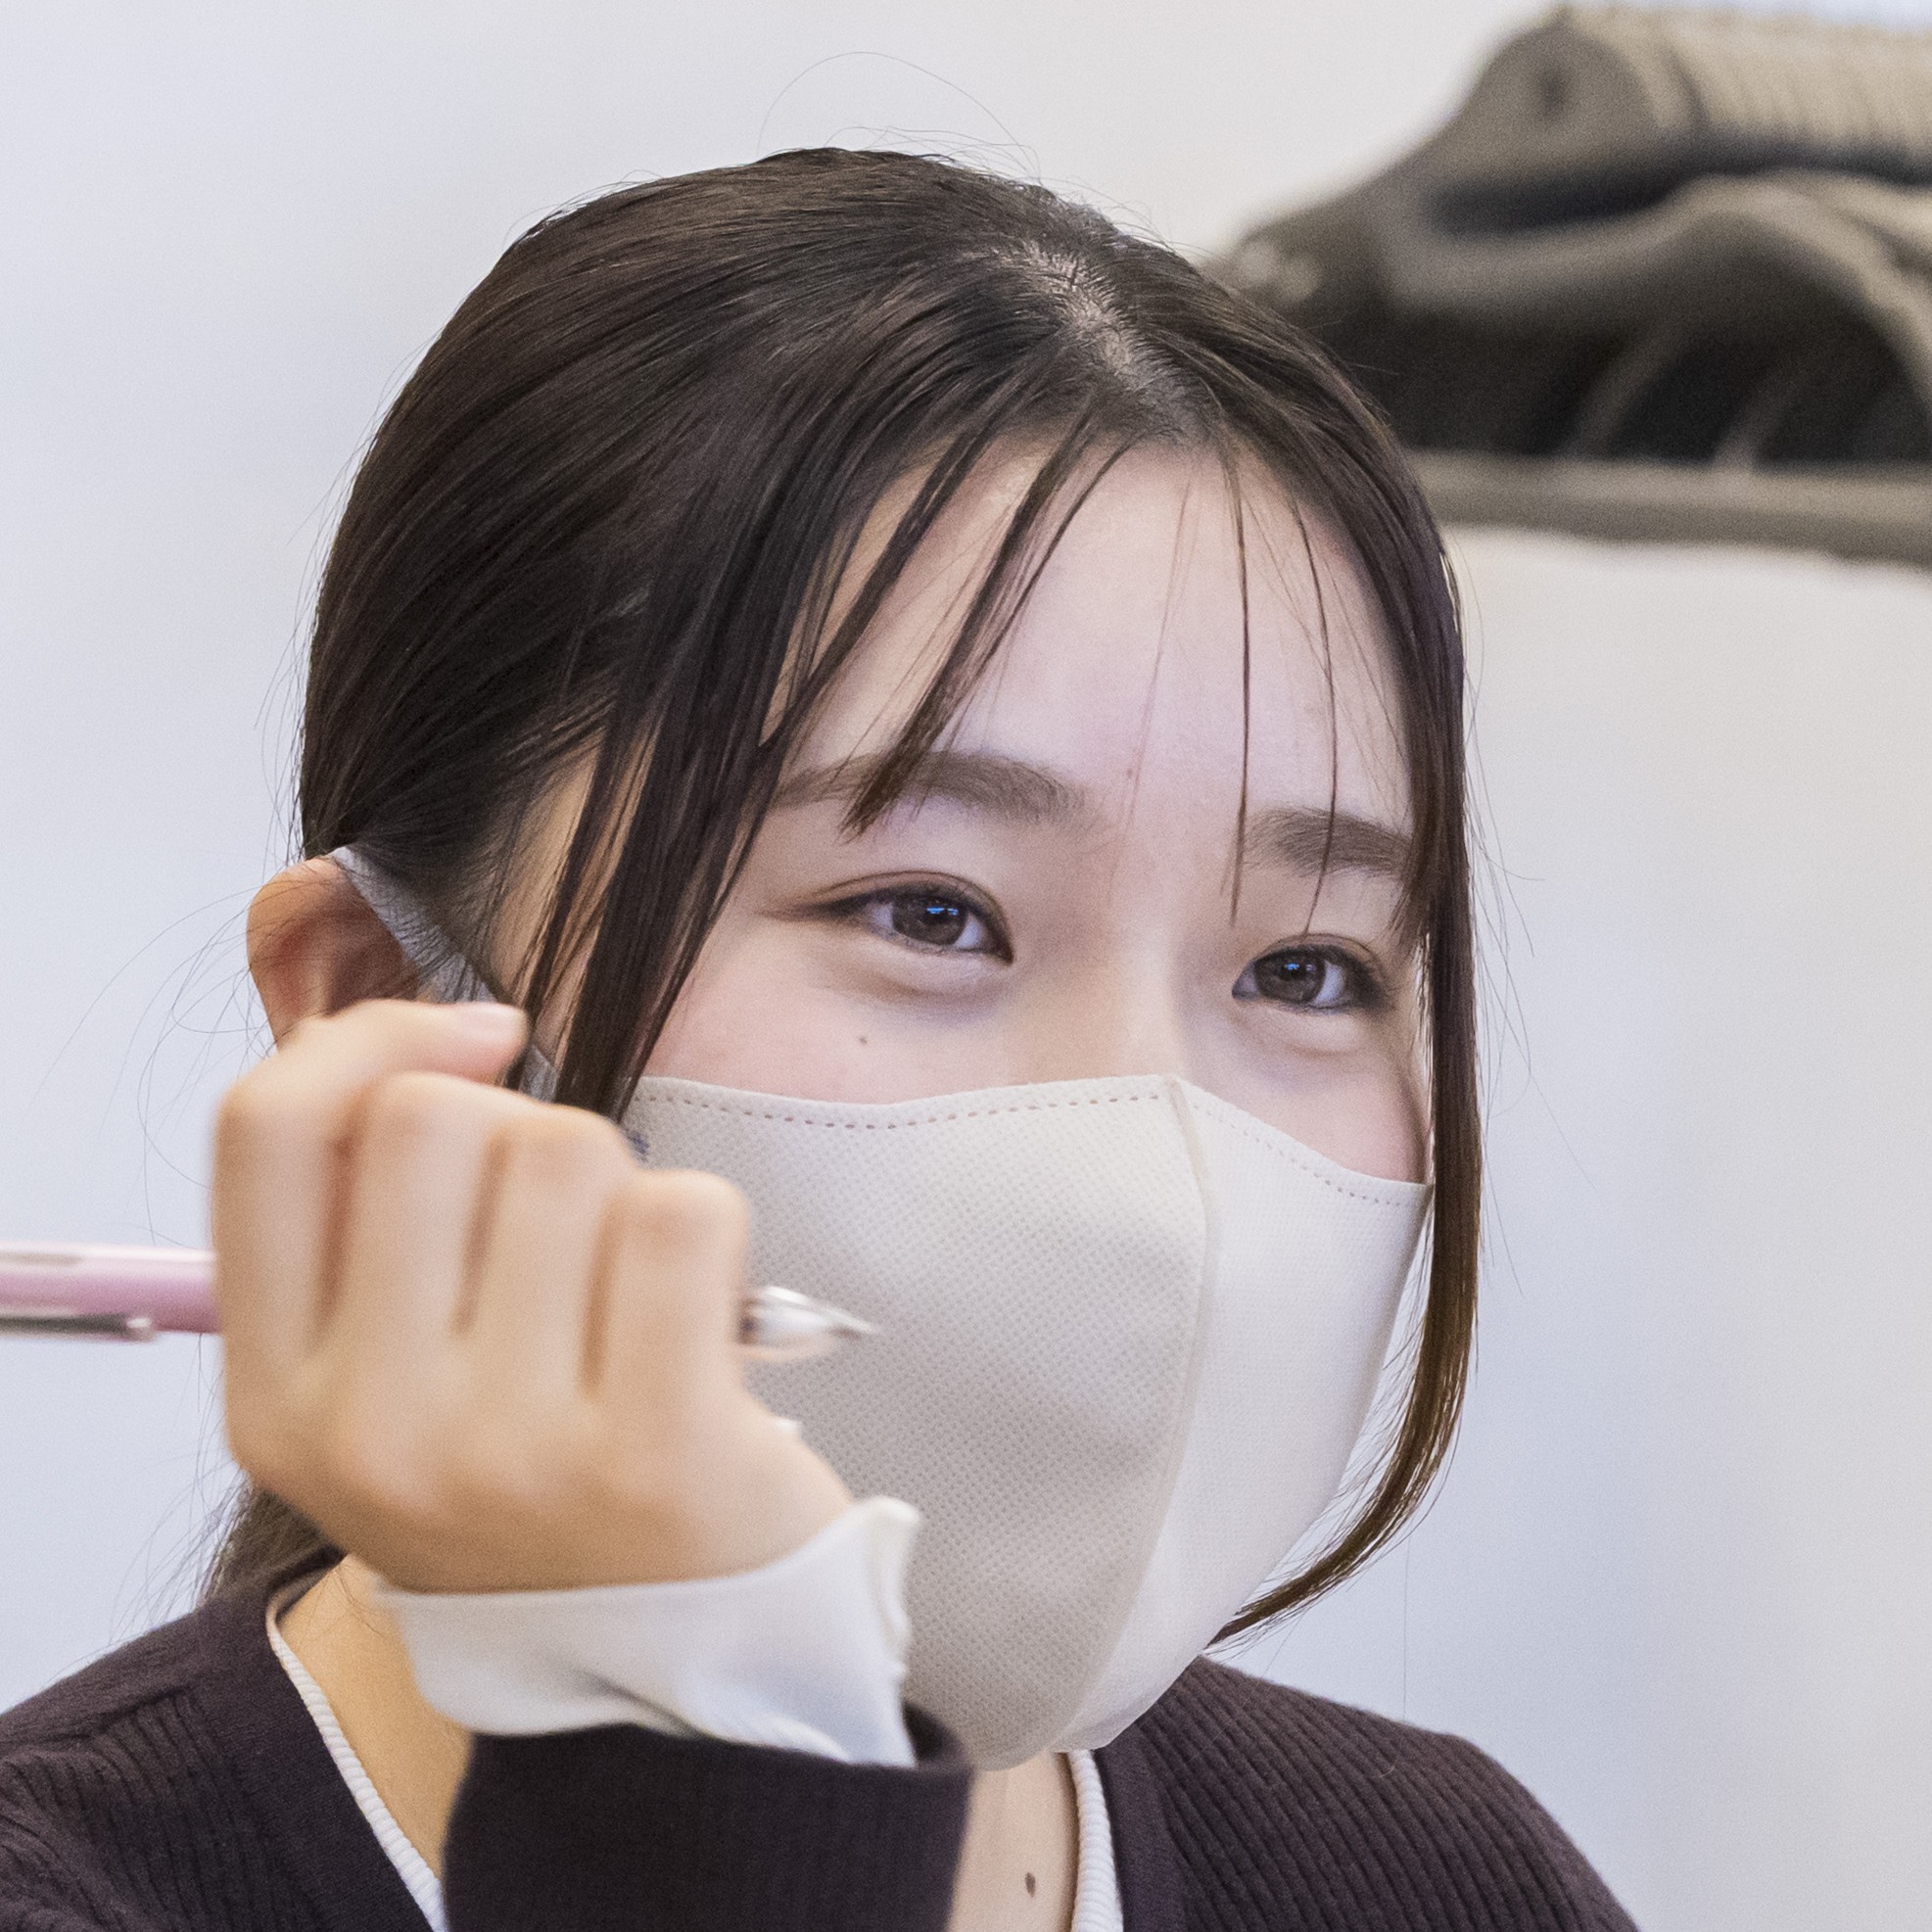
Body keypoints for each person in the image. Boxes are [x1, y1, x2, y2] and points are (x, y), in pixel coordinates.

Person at [0, 150, 1632, 1931]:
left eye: (1304, 970)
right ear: (380, 1007)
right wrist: (709, 1739)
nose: (1155, 1174)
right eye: (928, 910)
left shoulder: (1444, 1877)